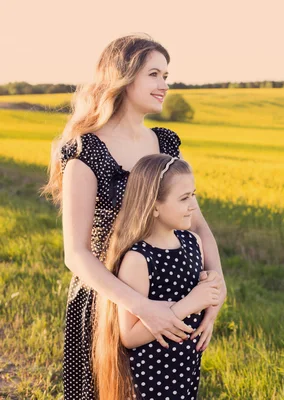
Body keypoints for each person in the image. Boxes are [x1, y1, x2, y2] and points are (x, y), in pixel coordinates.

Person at [41, 34, 227, 400]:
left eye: (166, 75)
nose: (165, 85)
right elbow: (75, 254)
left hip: (169, 294)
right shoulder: (86, 149)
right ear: (123, 78)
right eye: (154, 74)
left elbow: (198, 223)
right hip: (110, 302)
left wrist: (216, 284)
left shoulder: (164, 143)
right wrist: (142, 308)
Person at [93, 154, 222, 400]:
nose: (193, 205)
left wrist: (210, 288)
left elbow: (198, 293)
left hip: (186, 368)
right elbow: (129, 336)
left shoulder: (192, 243)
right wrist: (190, 304)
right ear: (153, 205)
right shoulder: (139, 259)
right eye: (184, 198)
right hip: (151, 377)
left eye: (193, 194)